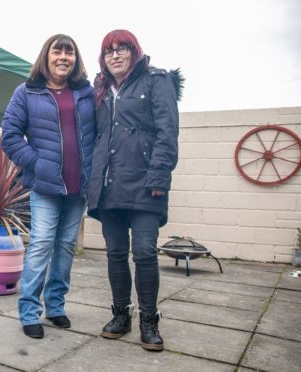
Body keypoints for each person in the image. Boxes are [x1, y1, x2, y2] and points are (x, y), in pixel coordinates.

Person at [87, 29, 182, 351]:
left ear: (134, 52)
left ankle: (149, 319)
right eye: (108, 50)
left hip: (145, 183)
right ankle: (120, 314)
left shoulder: (157, 81)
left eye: (122, 48)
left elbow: (168, 133)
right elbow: (94, 137)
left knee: (144, 252)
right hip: (108, 186)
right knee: (114, 253)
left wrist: (158, 177)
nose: (115, 55)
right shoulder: (98, 90)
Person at [1, 34, 96, 339]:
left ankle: (55, 307)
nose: (64, 57)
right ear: (47, 56)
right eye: (58, 51)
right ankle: (29, 311)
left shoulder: (86, 93)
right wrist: (37, 163)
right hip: (44, 185)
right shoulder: (26, 92)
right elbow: (10, 136)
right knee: (41, 245)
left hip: (77, 187)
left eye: (69, 52)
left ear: (75, 59)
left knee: (66, 248)